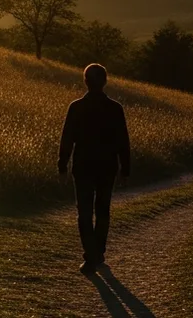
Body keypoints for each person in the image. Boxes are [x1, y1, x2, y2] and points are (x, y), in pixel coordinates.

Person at [58, 63, 131, 273]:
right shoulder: (115, 108)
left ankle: (91, 255)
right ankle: (98, 253)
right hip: (107, 168)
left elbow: (67, 139)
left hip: (82, 167)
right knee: (103, 211)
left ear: (85, 81)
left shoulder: (76, 107)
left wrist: (62, 165)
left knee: (84, 213)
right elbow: (122, 142)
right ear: (105, 82)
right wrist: (125, 170)